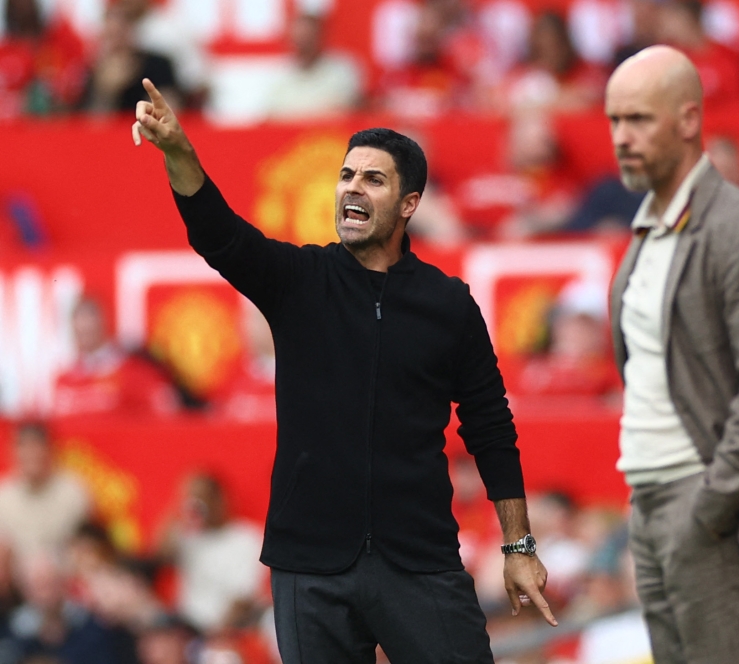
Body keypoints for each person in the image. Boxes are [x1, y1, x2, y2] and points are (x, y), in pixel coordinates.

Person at [132, 78, 555, 662]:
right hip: (309, 567)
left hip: (421, 559)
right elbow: (218, 236)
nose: (352, 189)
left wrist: (518, 545)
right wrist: (180, 153)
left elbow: (491, 427)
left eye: (373, 180)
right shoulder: (297, 280)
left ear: (410, 204)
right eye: (347, 176)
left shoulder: (450, 303)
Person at [604, 45, 739, 662]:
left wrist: (713, 505)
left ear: (690, 120)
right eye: (614, 121)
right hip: (648, 501)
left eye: (639, 119)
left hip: (704, 501)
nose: (622, 137)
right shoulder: (649, 229)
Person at [156, 474, 265, 634]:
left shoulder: (247, 538)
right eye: (193, 498)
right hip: (185, 628)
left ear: (220, 499)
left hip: (229, 632)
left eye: (203, 497)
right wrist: (179, 509)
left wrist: (214, 635)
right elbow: (159, 556)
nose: (199, 504)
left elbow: (244, 598)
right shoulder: (189, 537)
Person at [0, 422, 91, 560]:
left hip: (61, 574)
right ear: (12, 451)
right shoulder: (4, 494)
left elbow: (87, 548)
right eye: (23, 446)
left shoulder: (73, 493)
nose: (30, 453)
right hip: (13, 576)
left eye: (36, 445)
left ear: (49, 449)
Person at [266, 12, 364, 121]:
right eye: (299, 39)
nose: (303, 44)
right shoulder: (278, 74)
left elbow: (348, 111)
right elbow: (271, 115)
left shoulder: (342, 70)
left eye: (308, 38)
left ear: (320, 37)